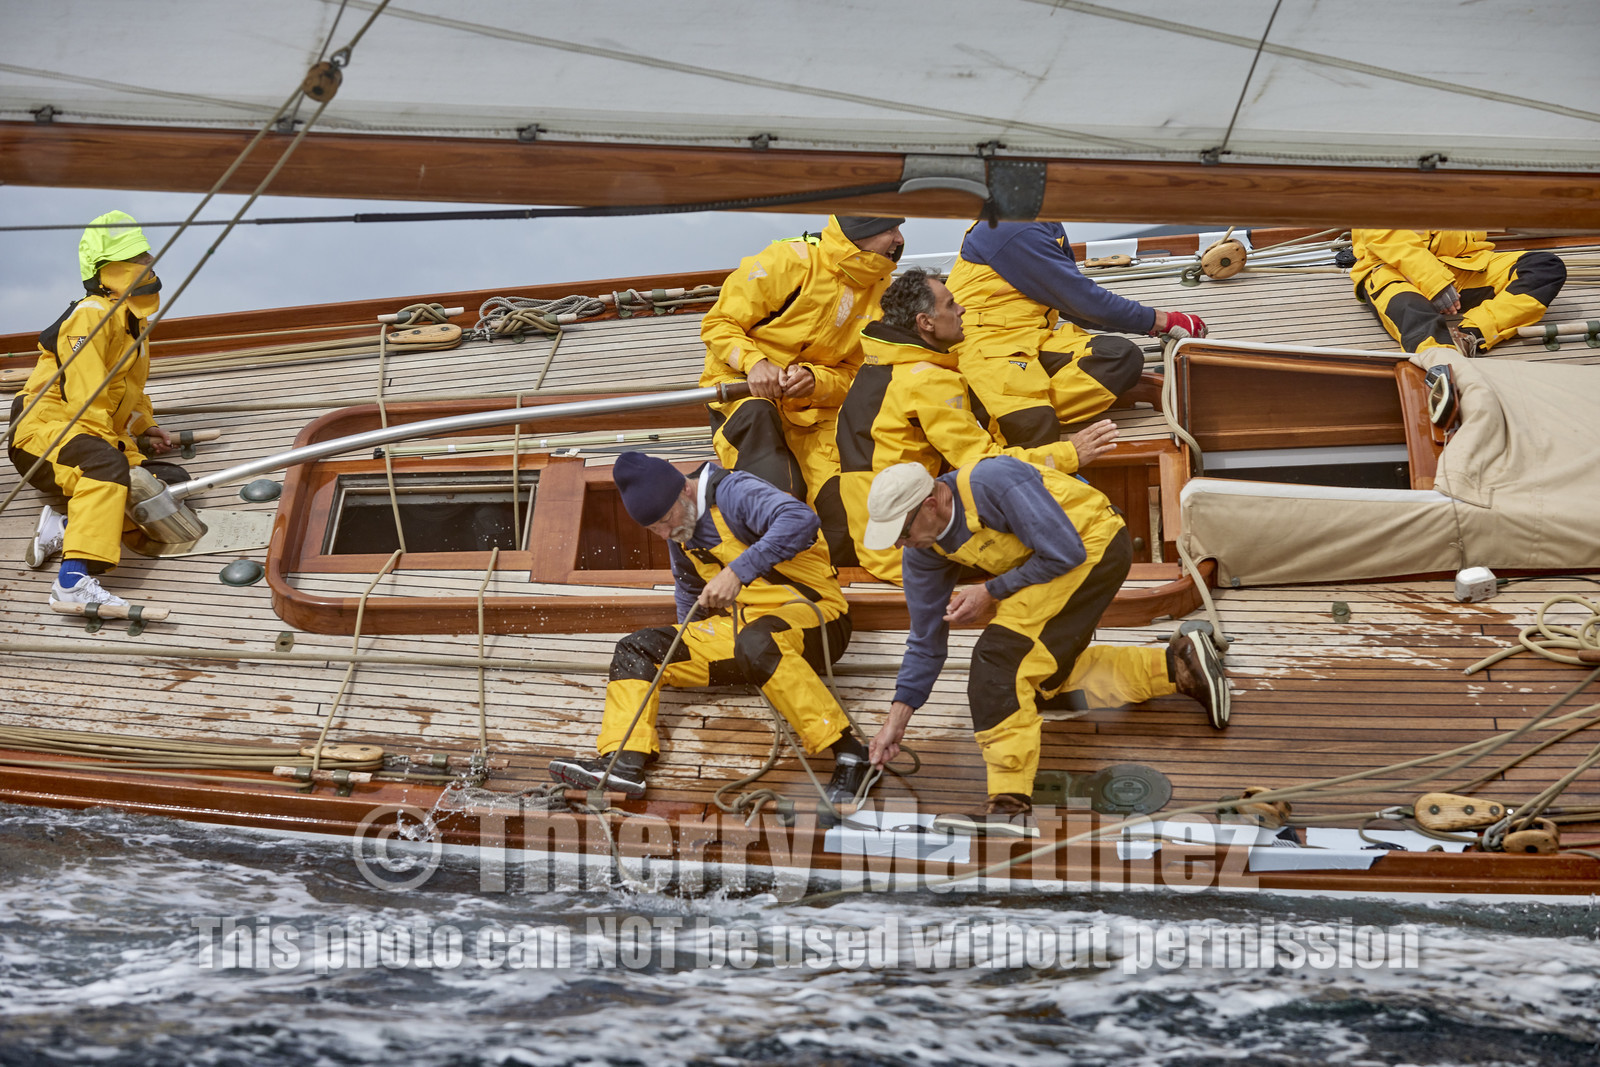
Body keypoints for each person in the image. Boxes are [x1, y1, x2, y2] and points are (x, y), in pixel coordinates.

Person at [861, 458, 1229, 834]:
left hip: (1092, 545)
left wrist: (990, 591)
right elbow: (925, 640)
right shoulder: (923, 551)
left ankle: (1009, 805)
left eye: (902, 531)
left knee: (1000, 661)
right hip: (1047, 565)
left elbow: (1065, 552)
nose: (898, 544)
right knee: (1037, 686)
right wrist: (896, 723)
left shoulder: (991, 483)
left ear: (930, 504)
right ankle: (1179, 666)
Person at [548, 451, 872, 807]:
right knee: (637, 648)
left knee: (757, 642)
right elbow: (689, 590)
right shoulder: (679, 531)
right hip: (744, 629)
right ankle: (624, 762)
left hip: (819, 619)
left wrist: (737, 572)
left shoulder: (735, 492)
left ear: (684, 491)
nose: (666, 533)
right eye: (654, 529)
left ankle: (850, 752)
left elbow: (800, 520)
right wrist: (694, 643)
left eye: (667, 520)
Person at [837, 267, 1119, 582]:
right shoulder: (927, 380)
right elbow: (982, 466)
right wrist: (1069, 454)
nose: (962, 310)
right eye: (950, 305)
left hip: (877, 539)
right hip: (909, 550)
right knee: (1080, 522)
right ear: (925, 323)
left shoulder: (876, 366)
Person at [698, 215, 904, 567]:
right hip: (745, 398)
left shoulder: (882, 293)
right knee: (779, 495)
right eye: (889, 230)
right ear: (861, 234)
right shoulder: (789, 262)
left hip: (814, 416)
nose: (899, 239)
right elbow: (719, 323)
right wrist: (755, 363)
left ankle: (831, 597)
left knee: (845, 524)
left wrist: (816, 381)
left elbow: (858, 374)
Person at [9, 210, 185, 609]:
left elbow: (131, 398)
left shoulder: (131, 327)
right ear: (108, 270)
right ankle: (72, 582)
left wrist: (146, 430)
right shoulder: (90, 315)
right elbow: (85, 404)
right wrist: (127, 457)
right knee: (108, 468)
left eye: (145, 254)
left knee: (169, 483)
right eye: (136, 258)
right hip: (41, 432)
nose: (147, 262)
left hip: (89, 435)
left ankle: (65, 525)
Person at [946, 220, 1209, 449]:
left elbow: (1072, 306)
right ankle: (997, 414)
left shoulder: (1042, 224)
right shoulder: (1011, 229)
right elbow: (1084, 302)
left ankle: (1008, 407)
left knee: (1119, 357)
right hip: (985, 348)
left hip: (1029, 339)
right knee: (1032, 426)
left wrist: (1152, 325)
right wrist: (1163, 321)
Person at [1349, 230, 1566, 356]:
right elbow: (1386, 238)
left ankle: (1470, 334)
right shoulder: (1380, 174)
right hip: (1392, 269)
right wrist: (1435, 282)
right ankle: (1442, 362)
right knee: (1411, 310)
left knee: (1545, 267)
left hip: (1461, 265)